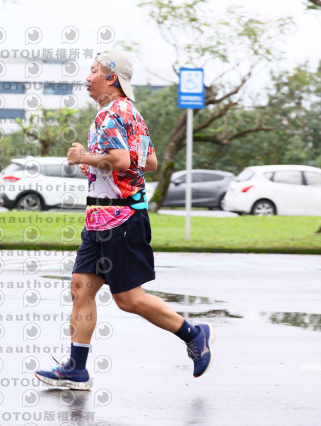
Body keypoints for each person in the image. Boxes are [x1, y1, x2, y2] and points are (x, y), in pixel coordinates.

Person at [34, 50, 215, 390]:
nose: (87, 77)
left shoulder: (111, 115)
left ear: (111, 77)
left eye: (93, 71)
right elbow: (148, 162)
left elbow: (118, 160)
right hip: (100, 218)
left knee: (128, 299)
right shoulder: (130, 113)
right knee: (81, 288)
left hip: (121, 218)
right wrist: (94, 162)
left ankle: (195, 335)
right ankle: (76, 368)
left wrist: (84, 157)